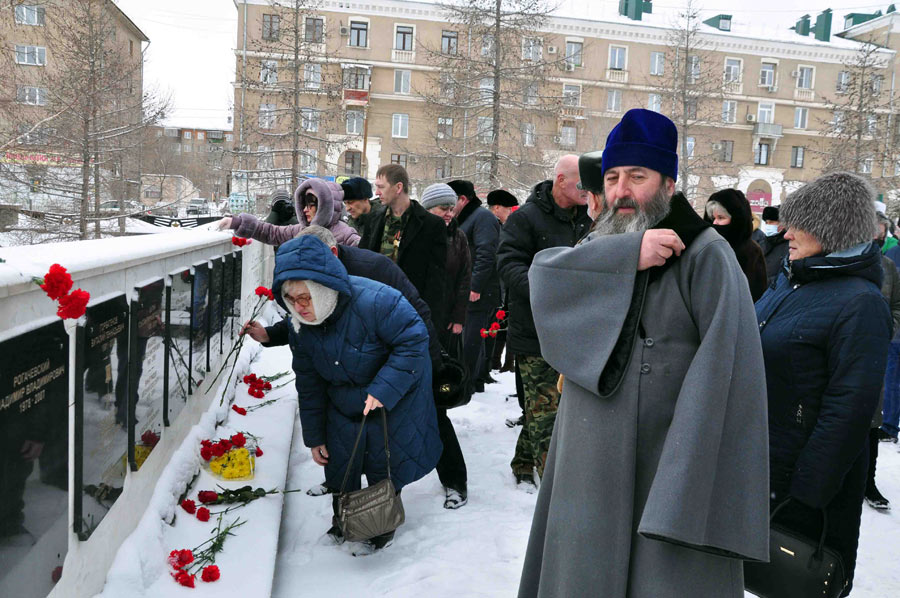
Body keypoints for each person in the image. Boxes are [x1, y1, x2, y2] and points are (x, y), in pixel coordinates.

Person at [518, 109, 769, 597]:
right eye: (612, 178)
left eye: (638, 176)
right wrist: (627, 257)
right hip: (588, 463)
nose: (621, 191)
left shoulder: (706, 254)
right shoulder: (605, 240)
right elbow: (545, 278)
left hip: (663, 459)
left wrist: (684, 477)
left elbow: (728, 367)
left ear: (669, 184)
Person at [755, 172, 891, 596]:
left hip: (802, 488)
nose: (786, 233)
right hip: (766, 465)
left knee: (792, 581)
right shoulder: (792, 282)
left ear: (831, 230)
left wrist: (806, 495)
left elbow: (849, 410)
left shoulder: (860, 303)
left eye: (799, 224)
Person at [272, 235, 442, 554]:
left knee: (382, 466)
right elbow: (308, 383)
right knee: (339, 464)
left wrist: (383, 388)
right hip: (341, 402)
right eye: (291, 299)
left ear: (323, 287)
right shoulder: (299, 325)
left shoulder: (377, 301)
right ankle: (343, 522)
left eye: (305, 297)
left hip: (389, 399)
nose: (299, 306)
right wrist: (314, 435)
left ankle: (379, 529)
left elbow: (413, 340)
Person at [496, 154, 591, 486]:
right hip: (535, 332)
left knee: (546, 408)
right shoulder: (525, 218)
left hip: (575, 331)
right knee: (546, 413)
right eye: (581, 183)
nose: (587, 189)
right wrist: (545, 290)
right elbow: (507, 264)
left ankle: (523, 461)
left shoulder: (589, 216)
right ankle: (555, 486)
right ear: (560, 181)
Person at [419, 183, 472, 508]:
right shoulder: (413, 234)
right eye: (443, 208)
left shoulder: (458, 237)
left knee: (436, 407)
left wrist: (458, 316)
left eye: (452, 208)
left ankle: (455, 481)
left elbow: (465, 276)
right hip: (410, 326)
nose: (450, 214)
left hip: (441, 328)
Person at [359, 164, 448, 329]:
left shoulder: (431, 225)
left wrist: (429, 320)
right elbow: (363, 260)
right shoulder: (374, 218)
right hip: (375, 309)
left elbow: (436, 280)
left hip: (410, 312)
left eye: (381, 187)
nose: (376, 192)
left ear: (398, 187)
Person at [448, 180, 501, 394]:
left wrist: (475, 286)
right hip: (467, 289)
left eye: (452, 200)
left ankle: (469, 383)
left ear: (463, 199)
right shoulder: (466, 217)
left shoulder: (482, 217)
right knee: (468, 339)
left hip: (479, 291)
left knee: (471, 340)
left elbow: (486, 254)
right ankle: (472, 379)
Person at [867, 213, 900, 510]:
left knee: (871, 422)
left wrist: (887, 329)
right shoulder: (840, 260)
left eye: (879, 233)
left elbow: (897, 305)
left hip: (876, 351)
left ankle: (869, 481)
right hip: (845, 351)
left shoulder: (888, 266)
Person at [218, 178, 360, 246]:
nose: (305, 210)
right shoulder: (302, 230)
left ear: (325, 206)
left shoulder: (346, 235)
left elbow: (364, 261)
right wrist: (237, 222)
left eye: (311, 205)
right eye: (304, 204)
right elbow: (271, 232)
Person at [703, 189, 768, 301]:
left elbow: (755, 296)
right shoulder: (704, 247)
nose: (714, 223)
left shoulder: (751, 252)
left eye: (721, 218)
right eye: (713, 218)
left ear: (737, 220)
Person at [486, 189, 519, 373]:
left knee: (506, 321)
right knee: (500, 321)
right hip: (498, 283)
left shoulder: (505, 225)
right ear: (497, 208)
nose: (510, 212)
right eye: (508, 208)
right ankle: (496, 361)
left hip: (505, 283)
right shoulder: (495, 226)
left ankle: (504, 361)